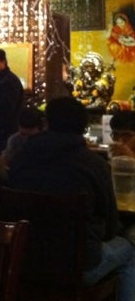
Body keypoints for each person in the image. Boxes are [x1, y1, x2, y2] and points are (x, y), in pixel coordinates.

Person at [9, 96, 135, 301]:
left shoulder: (21, 158)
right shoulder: (94, 165)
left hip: (24, 260)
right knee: (129, 249)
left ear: (46, 123)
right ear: (83, 128)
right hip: (76, 267)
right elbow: (111, 227)